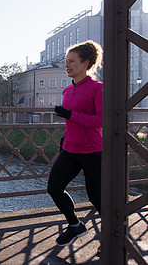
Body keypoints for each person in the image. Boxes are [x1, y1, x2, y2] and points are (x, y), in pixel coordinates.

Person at [47, 40, 103, 246]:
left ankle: (111, 239)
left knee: (97, 198)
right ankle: (76, 226)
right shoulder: (66, 91)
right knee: (54, 188)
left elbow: (100, 121)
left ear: (85, 63)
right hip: (70, 149)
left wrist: (71, 114)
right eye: (66, 61)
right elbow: (72, 122)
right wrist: (65, 138)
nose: (67, 65)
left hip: (92, 151)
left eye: (72, 61)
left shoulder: (98, 89)